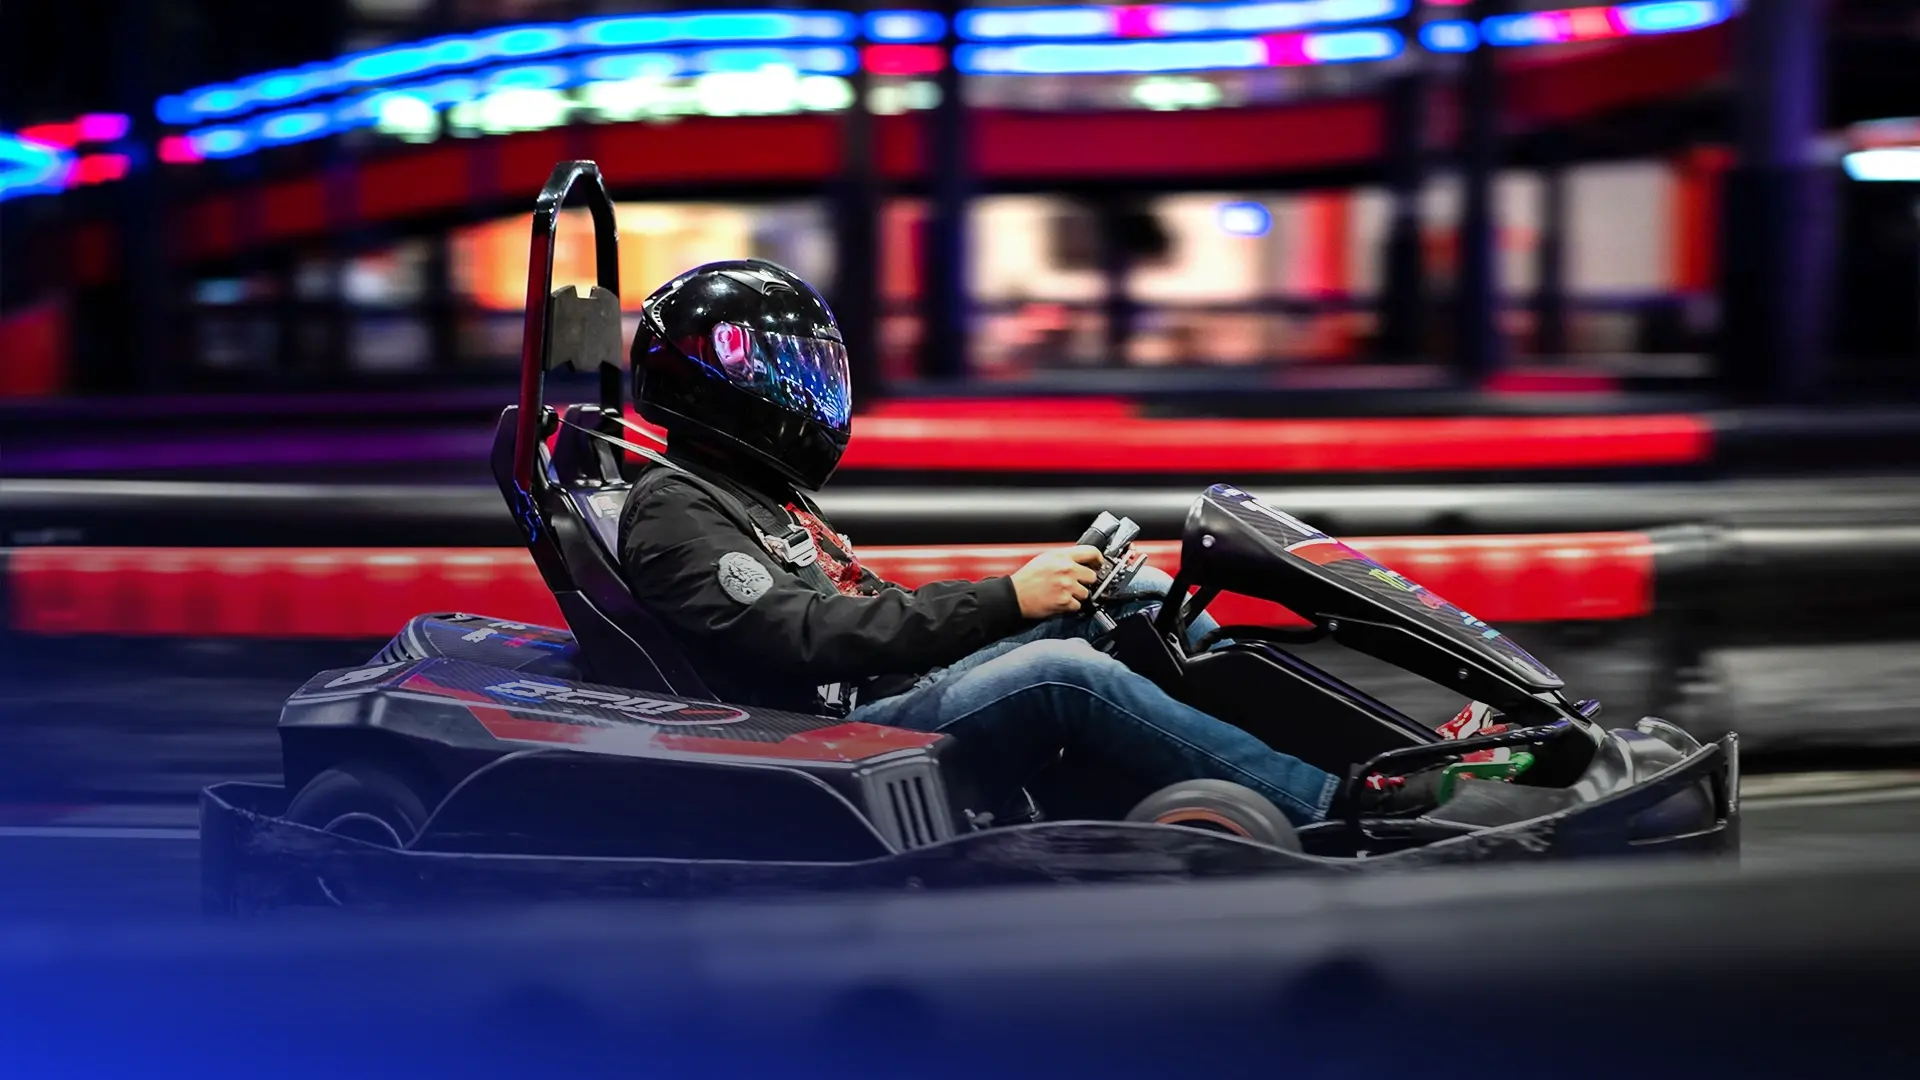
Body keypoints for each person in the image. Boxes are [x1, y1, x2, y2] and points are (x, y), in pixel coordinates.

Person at [616, 259, 1441, 827]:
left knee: (1137, 597)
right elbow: (802, 636)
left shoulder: (756, 491)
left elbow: (863, 610)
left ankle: (1368, 750)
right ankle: (1328, 802)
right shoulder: (675, 509)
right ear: (715, 381)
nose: (803, 395)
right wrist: (1006, 600)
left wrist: (1029, 596)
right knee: (1061, 672)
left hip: (876, 694)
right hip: (826, 741)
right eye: (782, 373)